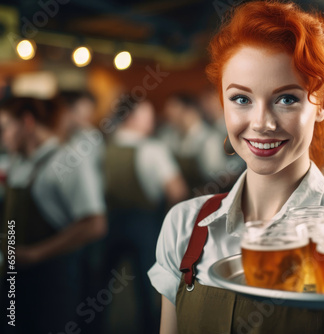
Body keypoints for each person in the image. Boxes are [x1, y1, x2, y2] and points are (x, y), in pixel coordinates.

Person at [148, 2, 324, 334]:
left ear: (322, 104)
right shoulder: (185, 225)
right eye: (241, 99)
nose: (261, 123)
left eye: (286, 99)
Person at [0, 97, 107, 333]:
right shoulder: (19, 162)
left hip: (52, 277)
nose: (2, 135)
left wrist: (36, 253)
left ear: (27, 122)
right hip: (15, 275)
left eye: (4, 127)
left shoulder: (66, 161)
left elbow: (95, 225)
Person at [102, 96, 188, 333]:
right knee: (149, 286)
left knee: (102, 287)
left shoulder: (105, 146)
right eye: (146, 114)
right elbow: (177, 190)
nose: (152, 119)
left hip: (110, 222)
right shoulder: (153, 148)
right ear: (131, 118)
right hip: (145, 223)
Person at [158, 93, 228, 195]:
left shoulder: (209, 139)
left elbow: (216, 175)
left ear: (190, 112)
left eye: (174, 109)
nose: (168, 114)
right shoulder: (169, 135)